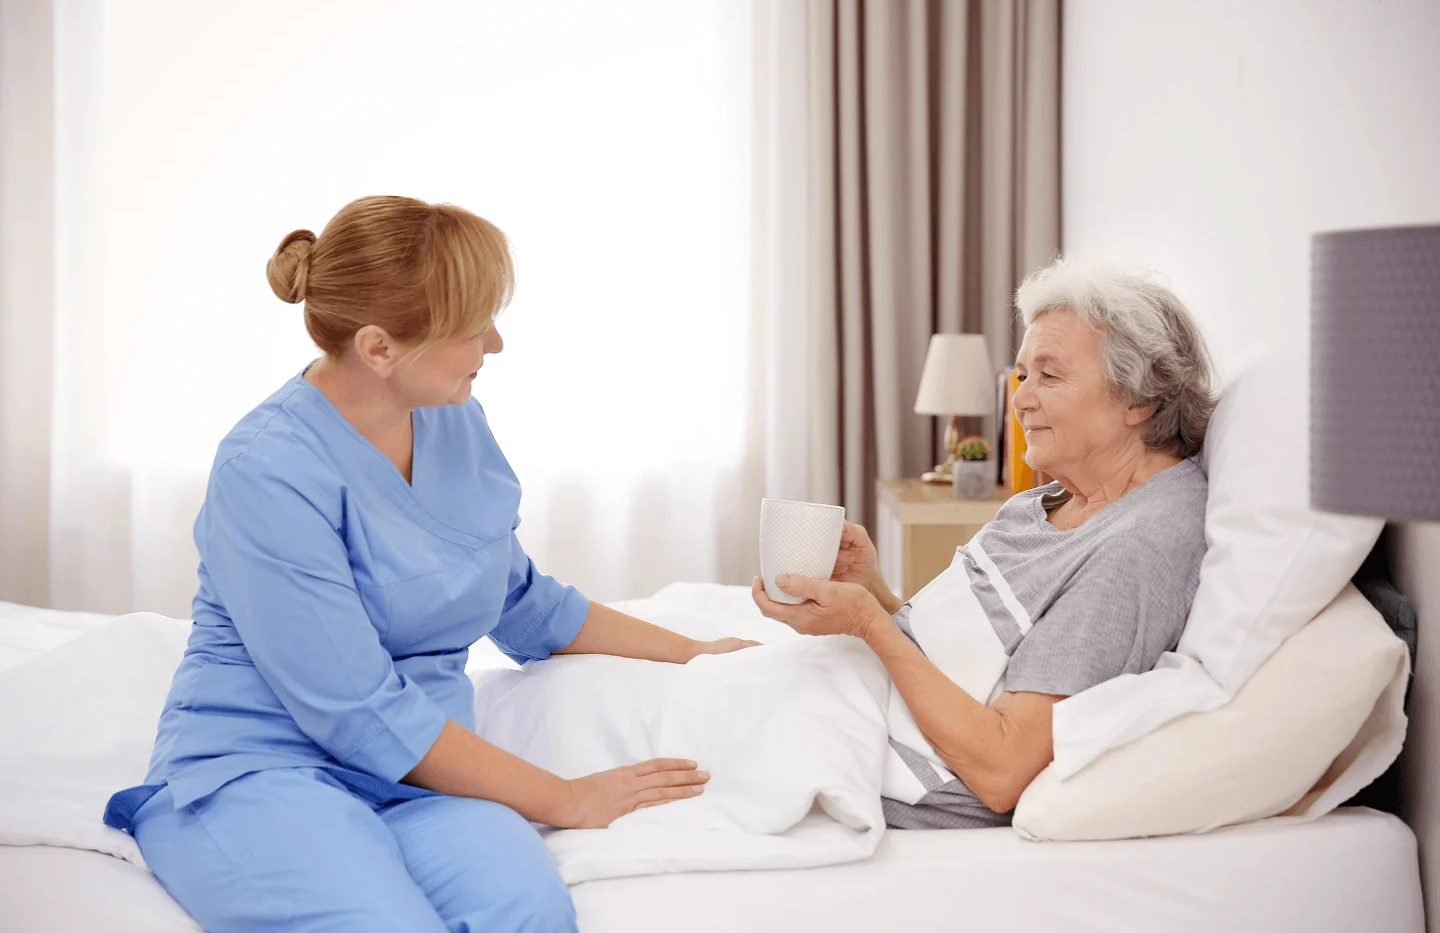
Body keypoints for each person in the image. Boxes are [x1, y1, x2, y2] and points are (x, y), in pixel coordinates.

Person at [102, 196, 756, 933]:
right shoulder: (268, 469)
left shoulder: (453, 418)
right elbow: (357, 710)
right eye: (474, 328)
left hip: (422, 777)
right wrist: (565, 797)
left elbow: (521, 601)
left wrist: (698, 653)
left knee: (531, 915)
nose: (497, 345)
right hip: (260, 769)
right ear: (380, 349)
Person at [752, 257, 1217, 829]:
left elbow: (1001, 767)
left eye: (1049, 376)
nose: (1019, 401)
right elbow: (964, 666)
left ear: (1139, 399)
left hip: (857, 756)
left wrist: (868, 624)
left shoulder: (1134, 550)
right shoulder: (1045, 502)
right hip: (839, 705)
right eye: (1023, 376)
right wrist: (875, 595)